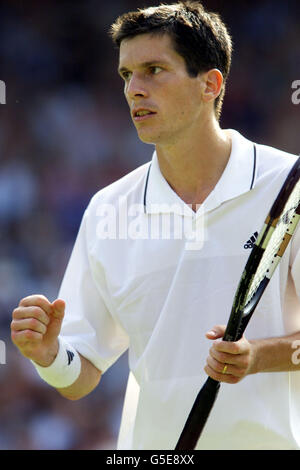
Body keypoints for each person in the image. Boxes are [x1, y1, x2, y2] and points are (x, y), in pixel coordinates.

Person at [11, 1, 300, 450]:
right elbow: (81, 372)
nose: (134, 90)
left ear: (211, 84)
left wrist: (261, 356)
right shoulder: (108, 209)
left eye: (153, 70)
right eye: (127, 75)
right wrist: (49, 357)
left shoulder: (291, 188)